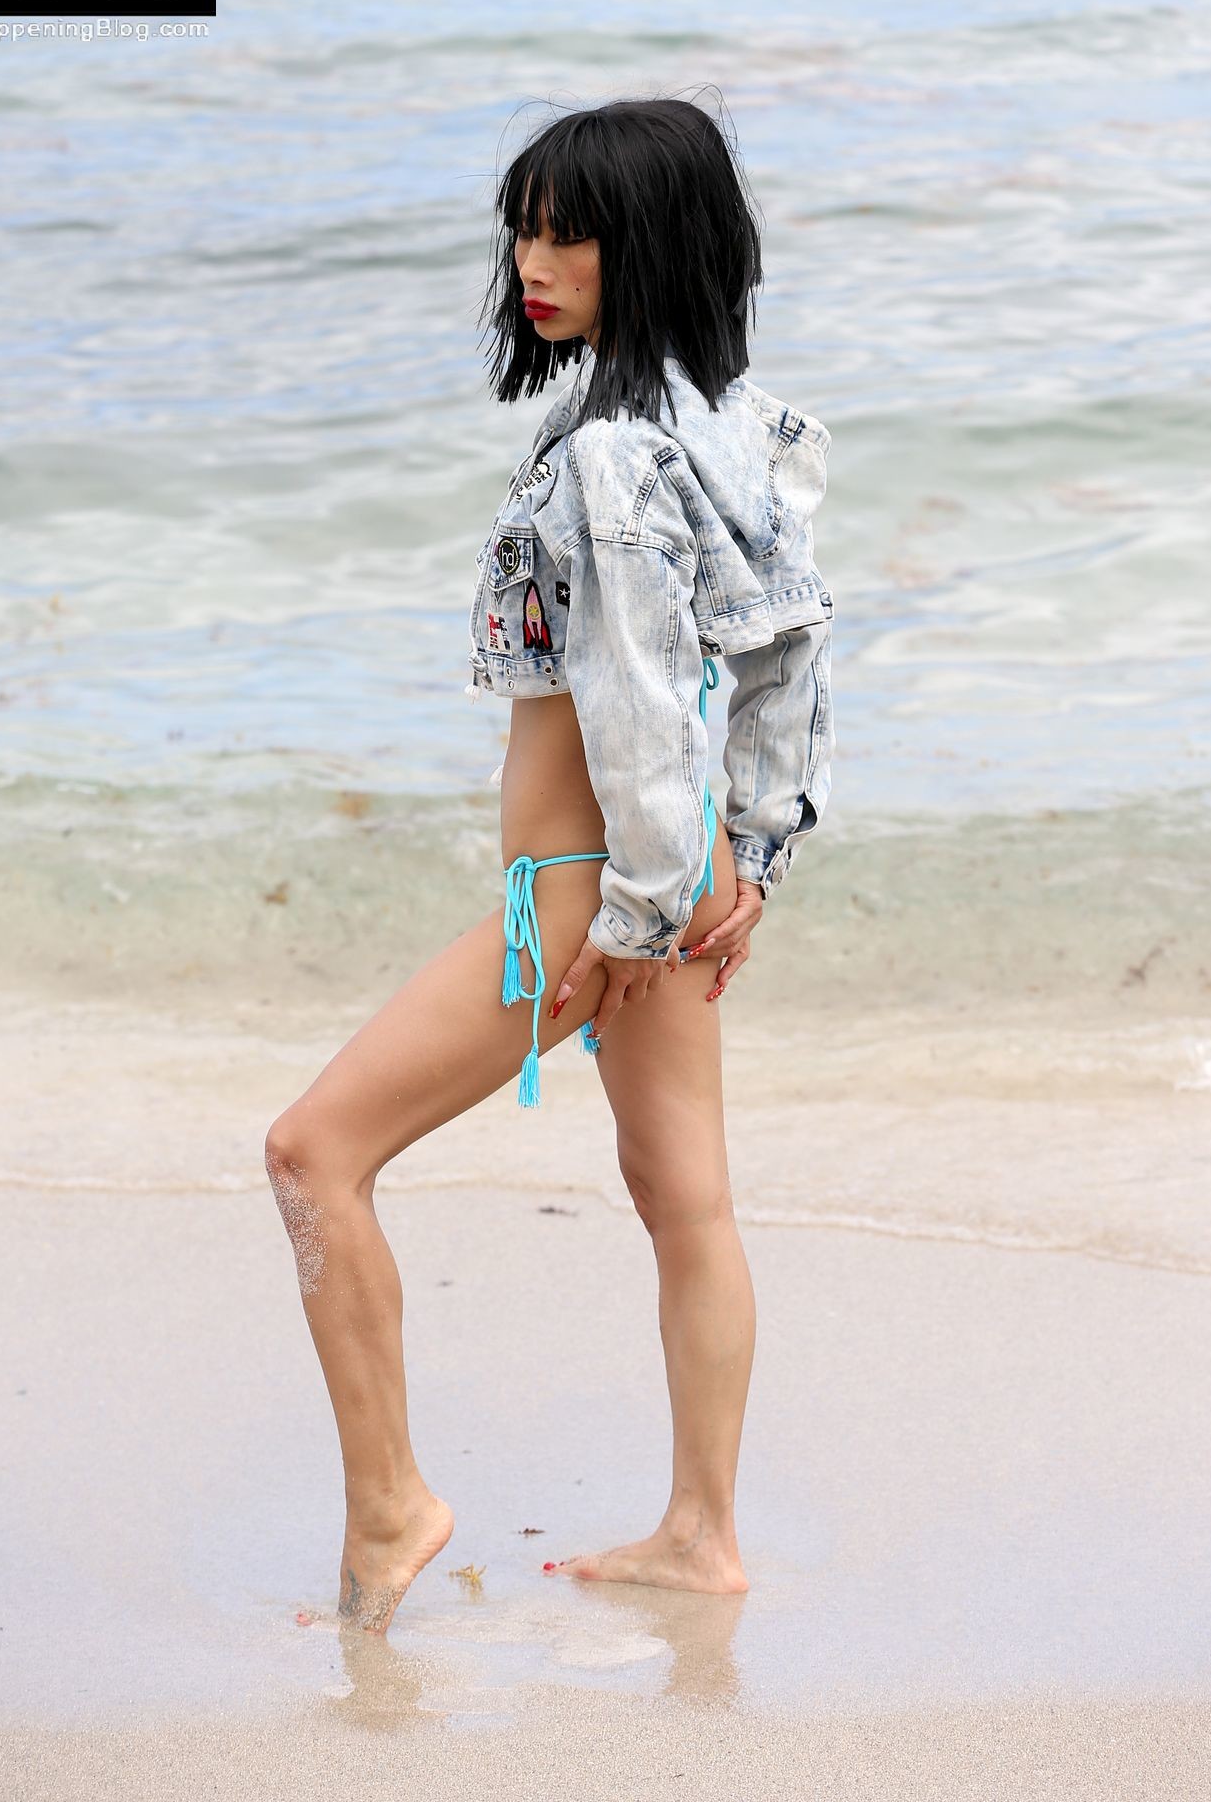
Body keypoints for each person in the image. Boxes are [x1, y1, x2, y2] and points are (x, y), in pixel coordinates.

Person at [264, 94, 835, 1635]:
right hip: (669, 874)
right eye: (523, 227)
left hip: (595, 893)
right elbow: (785, 662)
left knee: (312, 1155)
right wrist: (748, 856)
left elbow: (640, 706)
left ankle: (391, 1511)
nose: (534, 261)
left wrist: (637, 915)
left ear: (652, 244)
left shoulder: (607, 461)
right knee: (685, 1200)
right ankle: (701, 1537)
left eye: (571, 232)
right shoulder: (732, 429)